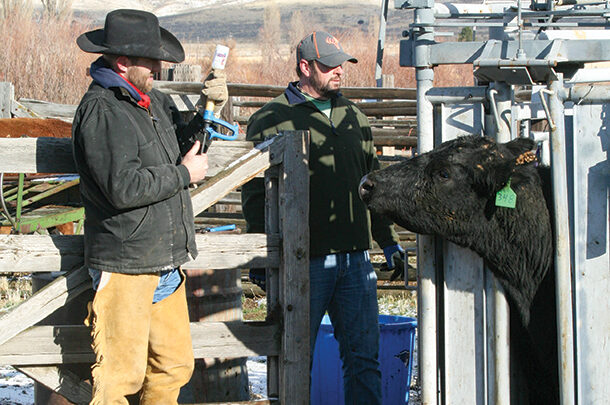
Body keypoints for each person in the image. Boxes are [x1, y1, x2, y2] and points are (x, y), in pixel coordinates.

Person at [71, 9, 228, 404]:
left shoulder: (151, 101)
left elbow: (179, 145)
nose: (159, 66)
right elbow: (122, 188)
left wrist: (207, 110)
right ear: (123, 63)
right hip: (126, 263)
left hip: (162, 258)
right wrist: (184, 175)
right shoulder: (103, 110)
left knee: (174, 365)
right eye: (151, 59)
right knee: (118, 378)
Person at [241, 31, 405, 405]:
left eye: (341, 65)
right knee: (296, 359)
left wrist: (388, 240)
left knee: (364, 360)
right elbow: (253, 194)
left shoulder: (354, 117)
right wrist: (261, 254)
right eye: (329, 65)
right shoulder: (271, 119)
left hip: (355, 261)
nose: (339, 72)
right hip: (303, 261)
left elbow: (372, 186)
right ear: (305, 67)